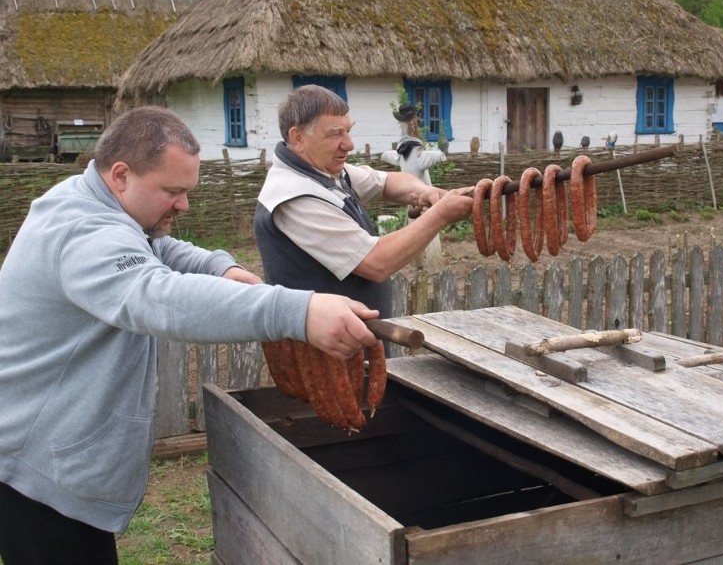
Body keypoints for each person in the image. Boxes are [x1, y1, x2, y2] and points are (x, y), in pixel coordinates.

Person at [0, 106, 379, 565]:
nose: (184, 205)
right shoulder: (82, 231)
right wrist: (296, 310)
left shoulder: (92, 198)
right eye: (173, 191)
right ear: (121, 175)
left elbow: (156, 246)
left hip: (48, 459)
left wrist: (222, 266)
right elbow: (154, 294)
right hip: (37, 477)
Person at [254, 85, 473, 318]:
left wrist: (424, 192)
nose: (349, 144)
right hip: (320, 349)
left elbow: (386, 181)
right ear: (297, 138)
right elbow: (376, 261)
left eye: (348, 131)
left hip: (353, 344)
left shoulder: (326, 171)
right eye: (334, 134)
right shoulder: (294, 196)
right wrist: (440, 214)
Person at [380, 136, 447, 273]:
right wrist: (443, 149)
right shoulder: (420, 158)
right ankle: (436, 271)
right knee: (431, 235)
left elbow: (385, 155)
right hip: (427, 202)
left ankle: (418, 266)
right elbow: (440, 156)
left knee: (413, 235)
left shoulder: (400, 157)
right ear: (416, 148)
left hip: (412, 201)